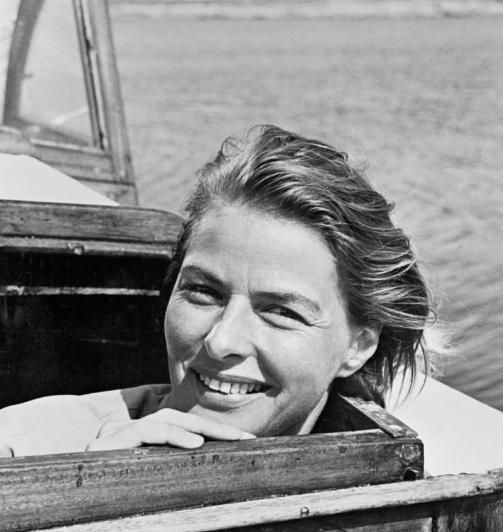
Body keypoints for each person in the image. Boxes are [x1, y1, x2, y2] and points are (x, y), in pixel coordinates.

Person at [0, 125, 432, 457]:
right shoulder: (21, 447)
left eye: (281, 312)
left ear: (358, 345)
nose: (221, 341)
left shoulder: (400, 489)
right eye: (204, 292)